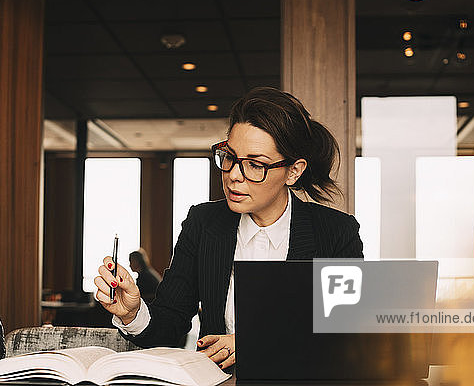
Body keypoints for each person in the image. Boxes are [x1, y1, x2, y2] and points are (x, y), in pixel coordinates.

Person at [94, 87, 363, 370]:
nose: (234, 174)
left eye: (255, 165)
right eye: (230, 157)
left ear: (293, 171)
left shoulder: (336, 232)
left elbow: (344, 336)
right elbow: (171, 321)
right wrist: (133, 313)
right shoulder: (203, 223)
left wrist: (255, 341)